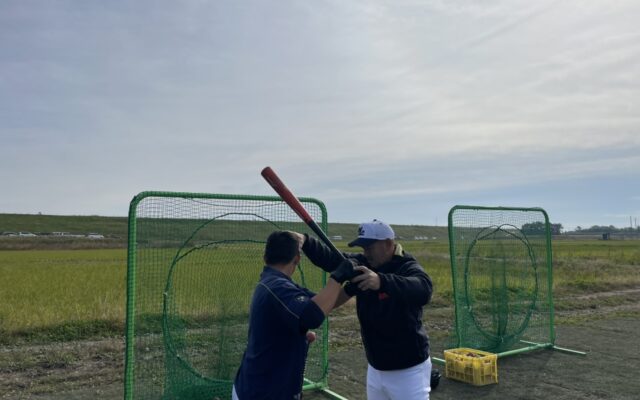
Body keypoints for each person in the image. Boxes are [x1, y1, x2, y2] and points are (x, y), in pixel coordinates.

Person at [296, 219, 434, 400]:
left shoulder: (406, 266)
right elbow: (334, 259)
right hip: (376, 367)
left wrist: (381, 281)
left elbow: (424, 289)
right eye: (363, 248)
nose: (365, 253)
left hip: (408, 369)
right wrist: (306, 241)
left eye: (369, 247)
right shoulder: (365, 262)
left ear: (388, 244)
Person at [233, 231, 358, 400]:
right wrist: (337, 277)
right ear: (297, 259)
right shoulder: (277, 287)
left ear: (265, 257)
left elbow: (322, 303)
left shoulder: (275, 282)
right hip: (264, 392)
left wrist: (351, 289)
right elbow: (312, 316)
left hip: (261, 385)